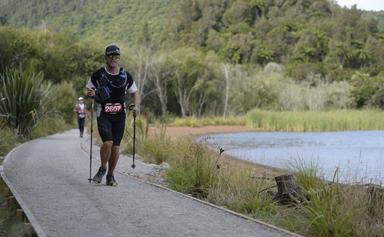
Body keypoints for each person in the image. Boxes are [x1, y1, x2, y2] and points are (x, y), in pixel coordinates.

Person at [86, 44, 140, 186]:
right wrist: (91, 93)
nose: (113, 59)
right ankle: (103, 168)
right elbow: (88, 89)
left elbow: (134, 93)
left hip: (119, 115)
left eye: (116, 56)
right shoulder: (98, 74)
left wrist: (136, 106)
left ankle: (110, 175)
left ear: (119, 58)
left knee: (116, 146)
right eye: (110, 56)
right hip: (103, 113)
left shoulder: (126, 76)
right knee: (108, 142)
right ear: (105, 58)